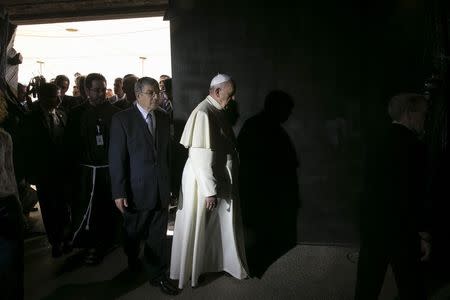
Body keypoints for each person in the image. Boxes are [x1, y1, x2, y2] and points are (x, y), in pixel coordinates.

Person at [170, 73, 248, 289]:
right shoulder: (204, 113)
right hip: (202, 183)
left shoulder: (215, 109)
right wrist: (209, 191)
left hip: (214, 180)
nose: (232, 100)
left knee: (215, 226)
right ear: (217, 91)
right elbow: (201, 157)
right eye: (229, 95)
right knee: (199, 227)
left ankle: (220, 264)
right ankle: (195, 272)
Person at [354, 93, 432, 300]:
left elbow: (365, 186)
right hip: (402, 229)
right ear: (409, 113)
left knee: (366, 289)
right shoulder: (416, 147)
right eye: (423, 114)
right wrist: (423, 233)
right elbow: (416, 193)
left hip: (373, 226)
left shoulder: (374, 141)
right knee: (412, 290)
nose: (425, 119)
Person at [109, 77, 178, 295]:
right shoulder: (122, 119)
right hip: (135, 188)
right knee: (134, 231)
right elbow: (117, 158)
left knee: (157, 233)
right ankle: (132, 256)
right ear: (138, 95)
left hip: (160, 186)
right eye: (151, 92)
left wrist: (173, 185)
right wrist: (118, 192)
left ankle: (157, 274)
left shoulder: (164, 118)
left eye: (157, 92)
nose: (156, 96)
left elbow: (168, 155)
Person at [66, 73, 120, 264]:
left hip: (108, 171)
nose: (100, 94)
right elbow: (70, 145)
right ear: (87, 90)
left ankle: (104, 243)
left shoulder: (115, 112)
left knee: (106, 210)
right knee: (86, 209)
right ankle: (87, 243)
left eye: (103, 90)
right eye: (96, 90)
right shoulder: (77, 113)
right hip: (86, 173)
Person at [23, 83, 71, 258]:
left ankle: (66, 238)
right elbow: (27, 148)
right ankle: (55, 242)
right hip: (44, 174)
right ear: (42, 98)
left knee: (64, 207)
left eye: (59, 95)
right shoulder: (30, 119)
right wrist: (30, 174)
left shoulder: (63, 115)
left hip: (63, 173)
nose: (58, 99)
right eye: (53, 96)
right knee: (49, 209)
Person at [0, 91, 24, 300]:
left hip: (6, 206)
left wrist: (18, 207)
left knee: (11, 266)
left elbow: (10, 174)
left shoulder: (4, 137)